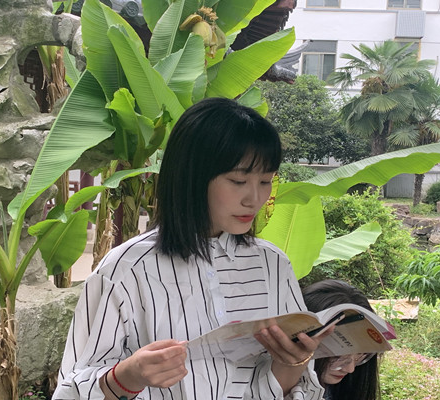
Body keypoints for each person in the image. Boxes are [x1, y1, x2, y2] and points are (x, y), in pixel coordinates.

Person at [53, 97, 326, 400]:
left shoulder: (273, 265)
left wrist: (292, 363)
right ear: (192, 176)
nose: (254, 198)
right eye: (238, 180)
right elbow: (71, 390)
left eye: (265, 181)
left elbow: (291, 387)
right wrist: (128, 375)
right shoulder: (127, 269)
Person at [301, 280, 381, 400]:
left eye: (360, 355)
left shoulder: (345, 388)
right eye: (338, 356)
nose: (350, 369)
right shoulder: (277, 387)